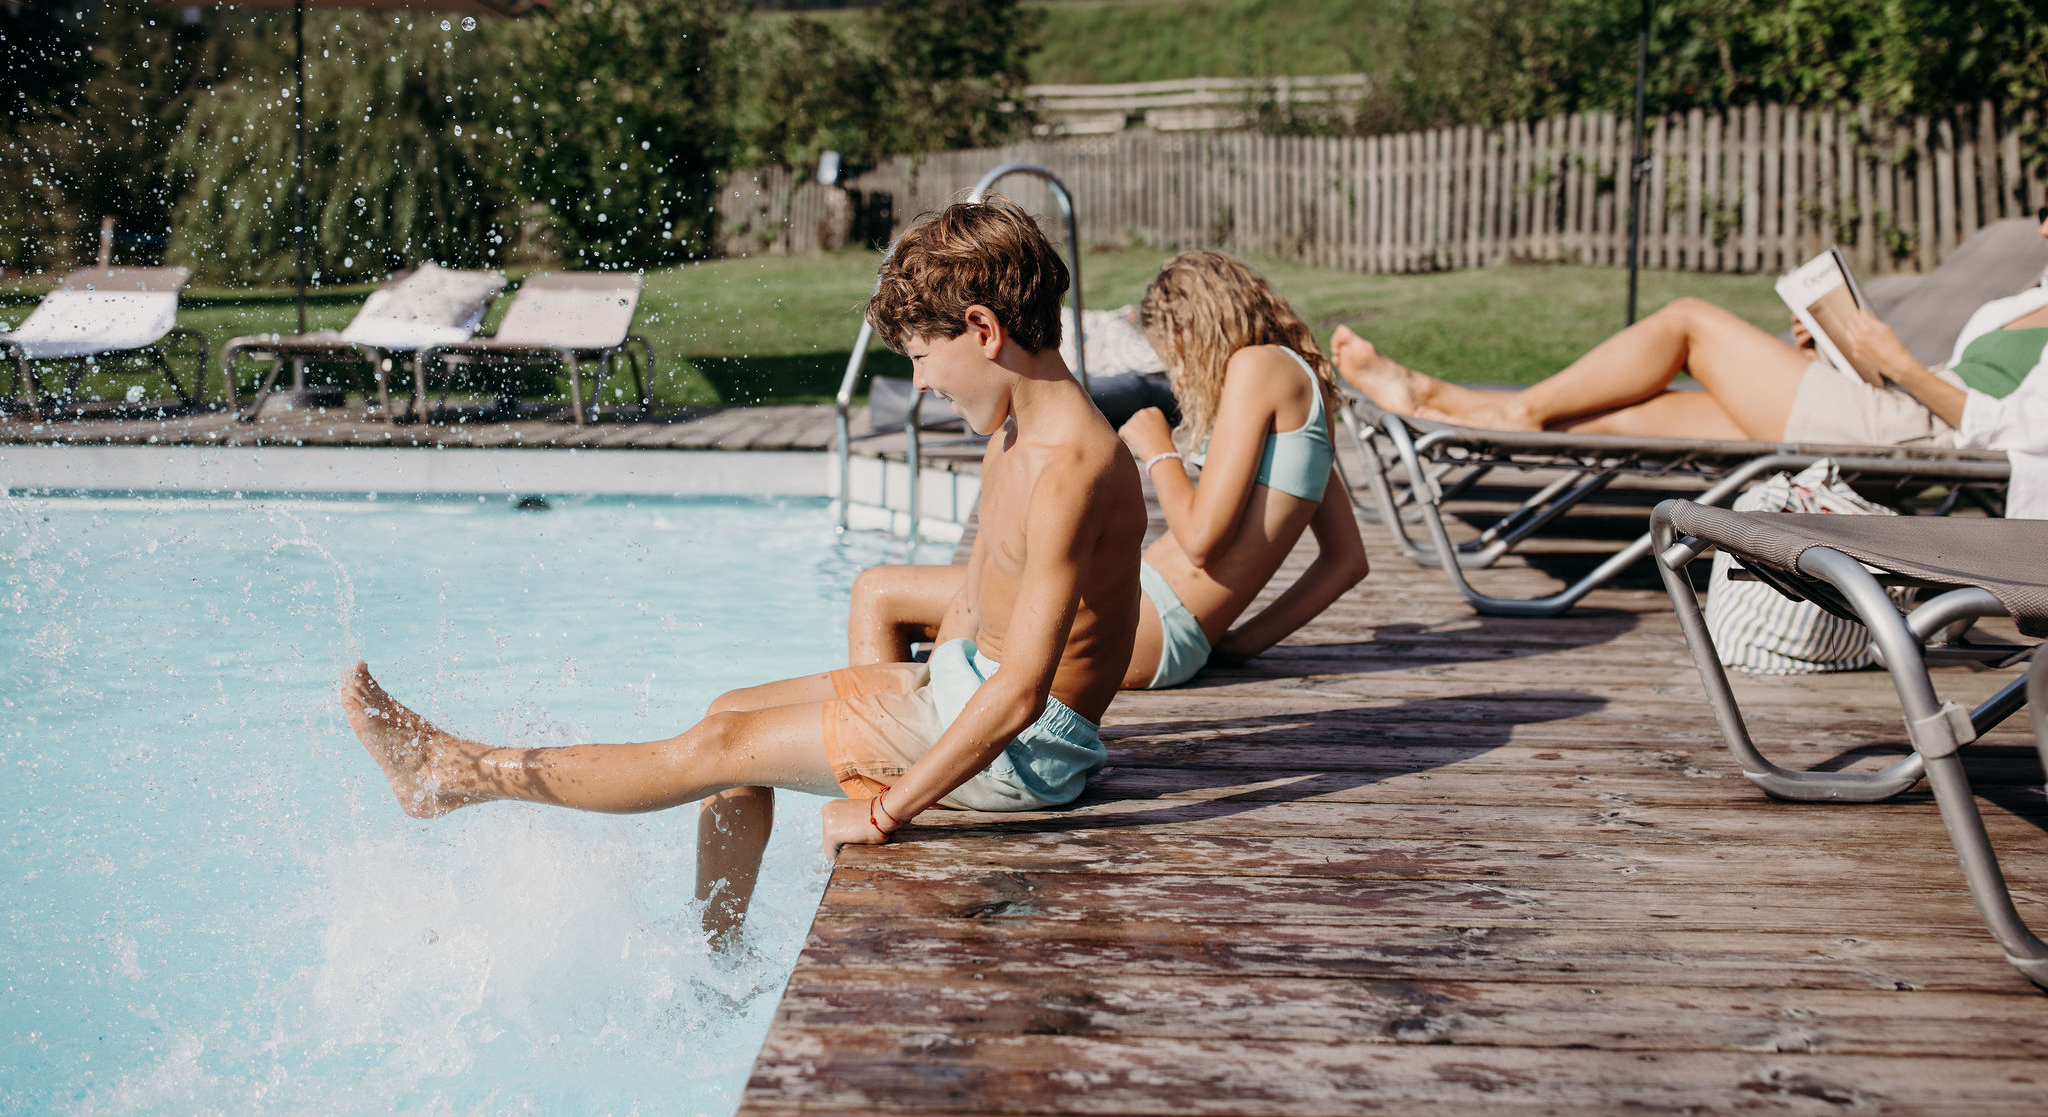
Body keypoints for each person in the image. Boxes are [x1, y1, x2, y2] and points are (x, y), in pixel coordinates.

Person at [341, 197, 1148, 947]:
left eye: (921, 358)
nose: (921, 383)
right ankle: (717, 954)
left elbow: (1020, 693)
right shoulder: (1014, 433)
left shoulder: (1071, 466)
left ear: (981, 328)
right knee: (730, 712)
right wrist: (898, 703)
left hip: (1026, 752)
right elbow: (978, 608)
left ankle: (453, 772)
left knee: (723, 745)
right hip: (966, 690)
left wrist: (886, 809)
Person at [850, 250, 1368, 691]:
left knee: (881, 594)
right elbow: (1347, 562)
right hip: (1165, 621)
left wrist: (1158, 449)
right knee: (939, 610)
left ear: (1204, 325)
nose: (1182, 374)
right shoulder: (1303, 390)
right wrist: (1233, 642)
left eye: (1178, 352)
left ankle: (884, 759)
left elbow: (1203, 541)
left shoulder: (1258, 366)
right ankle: (912, 737)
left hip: (1155, 619)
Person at [1328, 207, 2048, 518]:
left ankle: (1508, 409)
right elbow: (1948, 392)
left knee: (1689, 323)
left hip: (1923, 436)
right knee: (1628, 411)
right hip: (1897, 410)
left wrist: (1904, 367)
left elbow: (2011, 430)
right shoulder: (2022, 302)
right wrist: (1855, 356)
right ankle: (1437, 396)